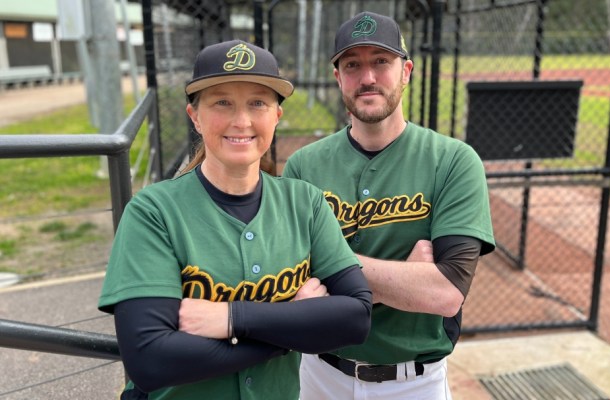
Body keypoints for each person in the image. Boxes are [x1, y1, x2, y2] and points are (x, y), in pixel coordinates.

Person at [98, 39, 372, 400]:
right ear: (195, 116)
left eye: (257, 103)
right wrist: (291, 325)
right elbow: (150, 359)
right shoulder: (154, 212)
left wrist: (232, 318)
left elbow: (356, 318)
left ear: (276, 116)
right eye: (222, 102)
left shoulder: (305, 202)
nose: (241, 121)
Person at [282, 11, 496, 399]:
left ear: (406, 71)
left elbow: (445, 294)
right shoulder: (303, 166)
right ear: (338, 77)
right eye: (352, 65)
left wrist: (333, 273)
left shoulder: (453, 161)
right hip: (318, 376)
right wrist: (407, 280)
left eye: (381, 61)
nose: (367, 77)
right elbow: (292, 285)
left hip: (415, 383)